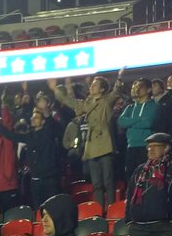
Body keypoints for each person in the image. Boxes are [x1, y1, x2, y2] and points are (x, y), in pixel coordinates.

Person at [49, 73, 126, 212]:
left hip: (105, 146)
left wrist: (119, 78)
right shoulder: (87, 103)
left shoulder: (106, 101)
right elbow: (72, 102)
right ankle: (99, 211)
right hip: (91, 148)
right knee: (96, 184)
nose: (92, 86)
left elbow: (116, 92)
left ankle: (112, 210)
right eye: (91, 84)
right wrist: (56, 91)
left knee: (108, 182)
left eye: (95, 85)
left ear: (102, 89)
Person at [19, 108, 63, 211]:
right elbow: (12, 136)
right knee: (38, 211)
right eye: (32, 118)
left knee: (52, 210)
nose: (33, 119)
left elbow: (56, 127)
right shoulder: (30, 136)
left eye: (36, 118)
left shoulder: (49, 133)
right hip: (36, 181)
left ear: (43, 121)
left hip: (50, 180)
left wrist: (47, 114)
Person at [117, 79, 157, 177]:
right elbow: (121, 122)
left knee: (146, 176)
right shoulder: (130, 107)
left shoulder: (154, 106)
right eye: (135, 87)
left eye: (140, 87)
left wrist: (130, 122)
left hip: (146, 146)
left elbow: (148, 123)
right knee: (131, 177)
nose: (136, 89)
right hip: (131, 146)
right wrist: (138, 119)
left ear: (148, 90)